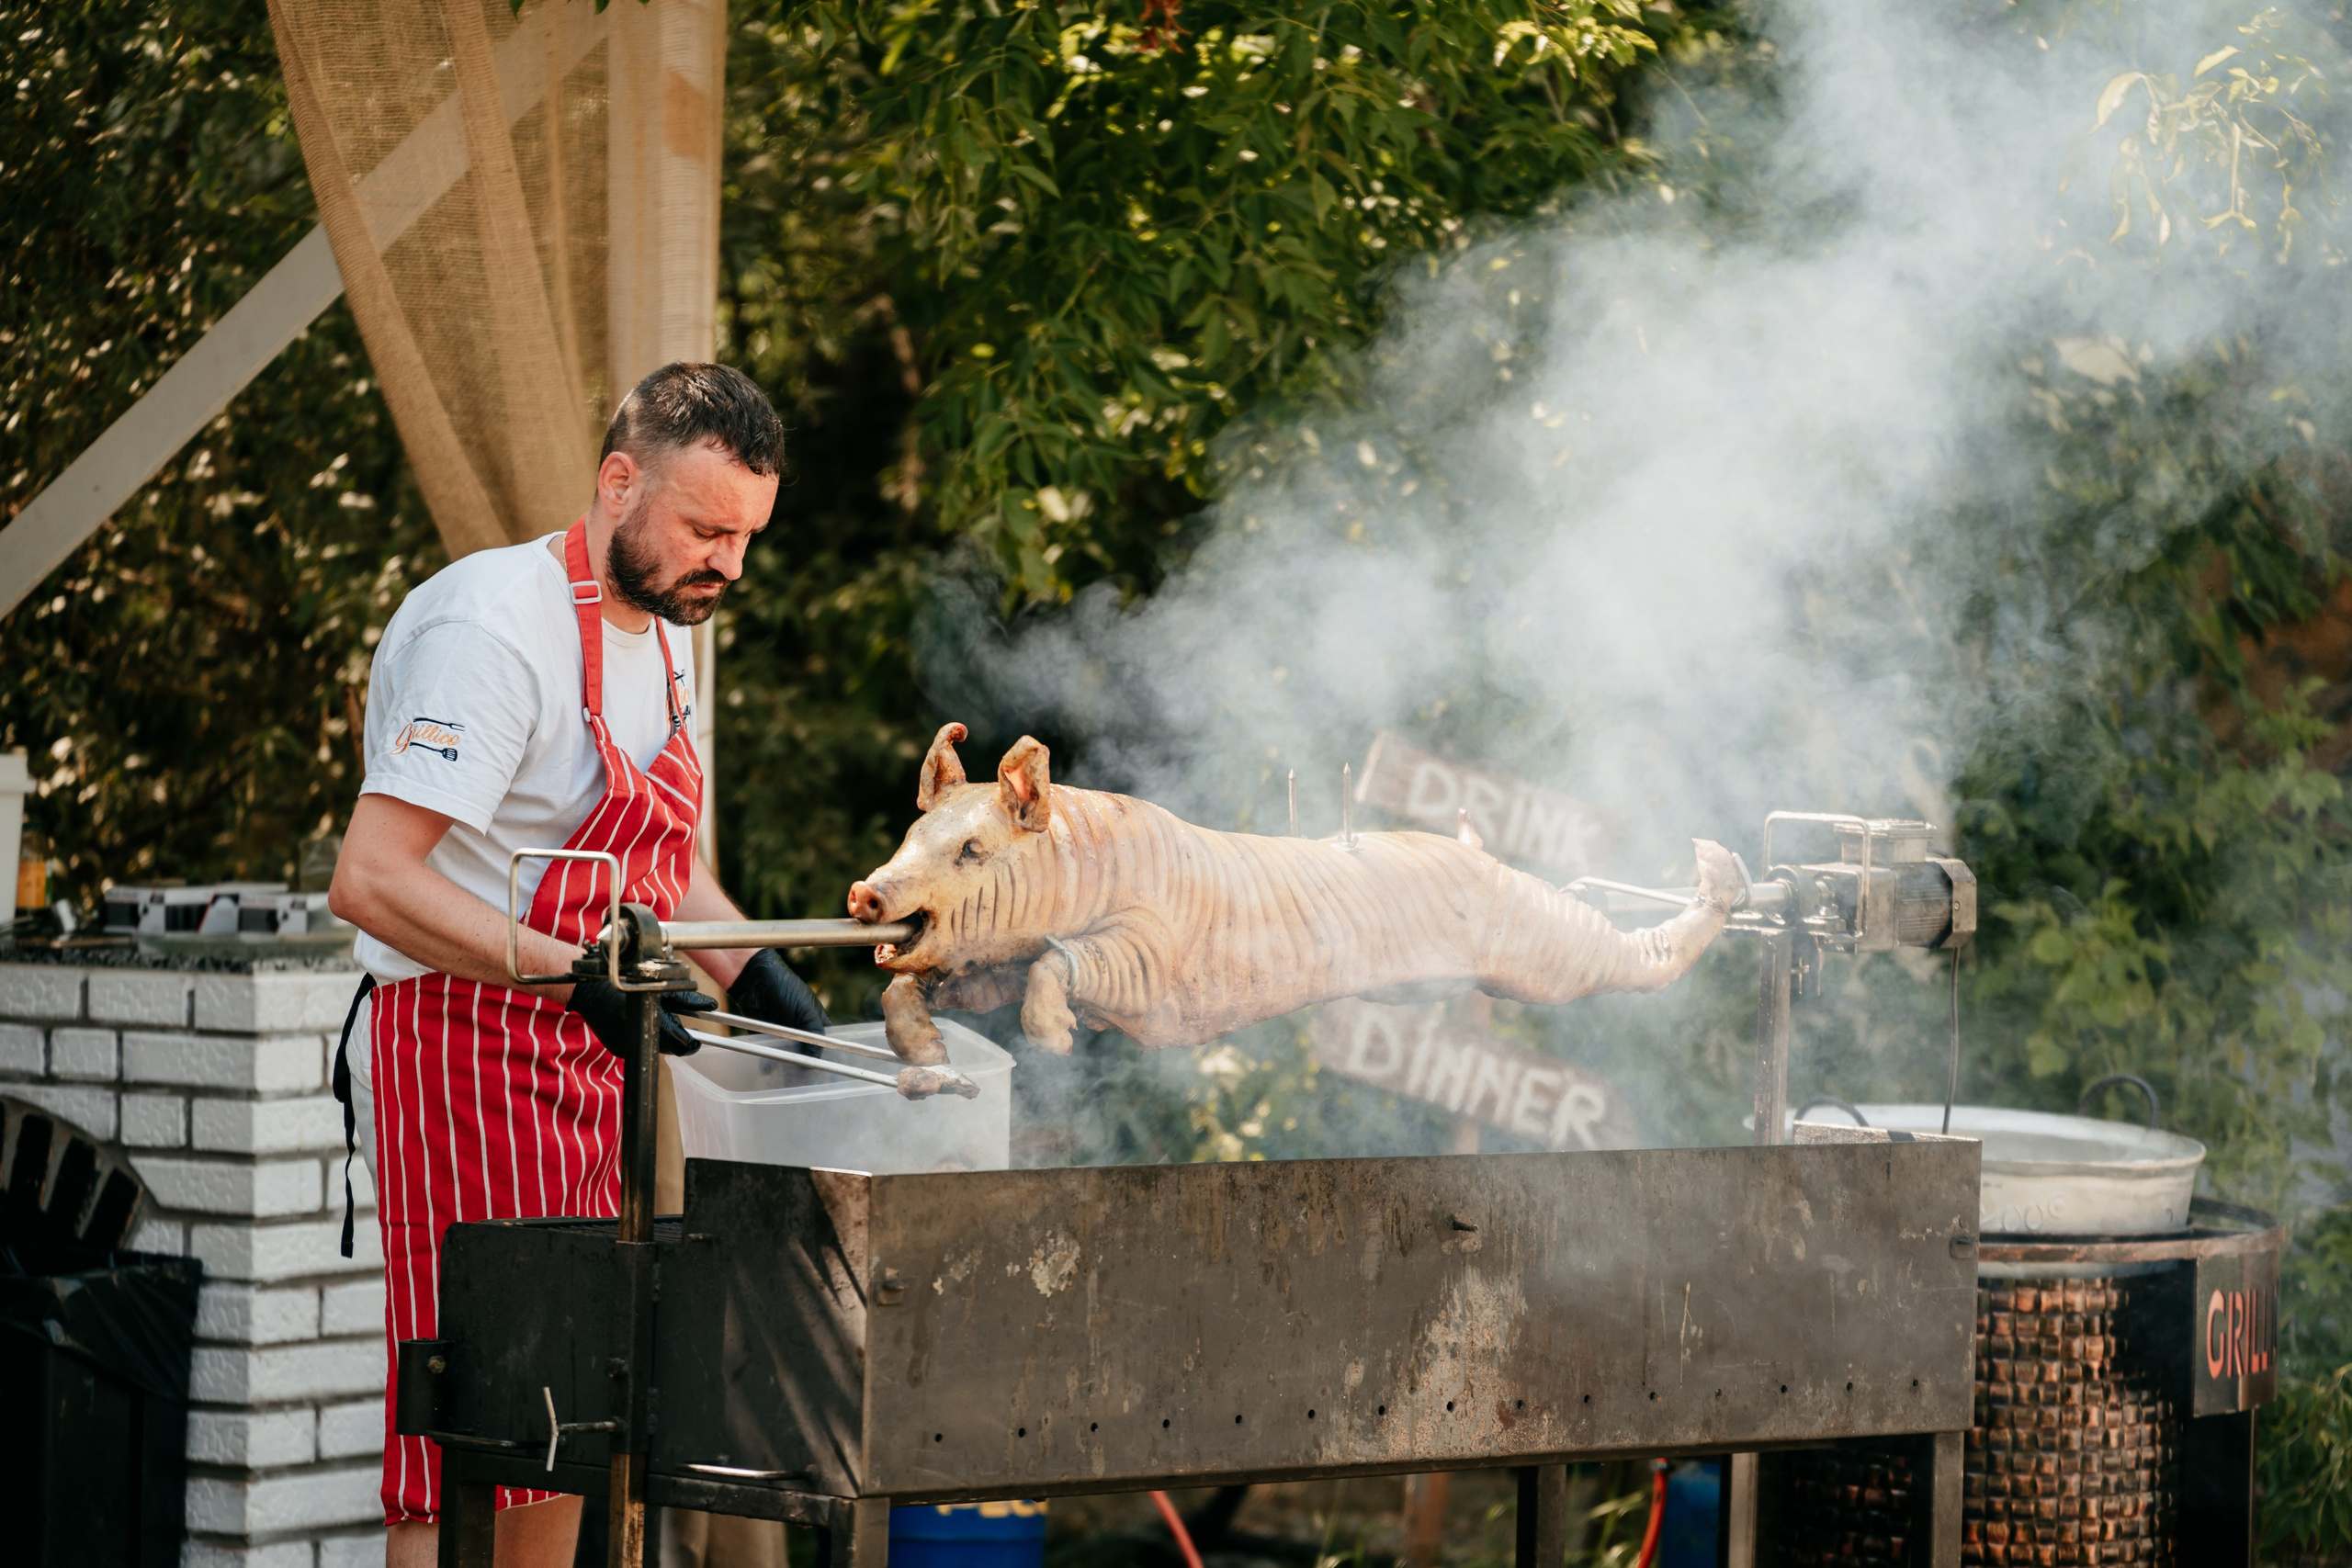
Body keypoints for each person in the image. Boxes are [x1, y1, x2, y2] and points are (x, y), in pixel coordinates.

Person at [329, 362, 830, 1568]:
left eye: (746, 536)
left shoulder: (663, 627)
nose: (729, 563)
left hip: (598, 1048)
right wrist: (571, 977)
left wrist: (752, 971)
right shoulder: (493, 633)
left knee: (574, 1425)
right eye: (707, 527)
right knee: (483, 1443)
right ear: (620, 482)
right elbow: (375, 879)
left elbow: (660, 861)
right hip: (464, 1048)